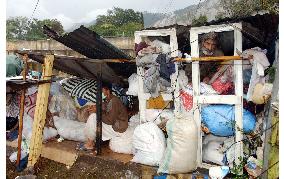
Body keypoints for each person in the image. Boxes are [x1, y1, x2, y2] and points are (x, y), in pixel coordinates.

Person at [80, 83, 128, 151]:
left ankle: (90, 143)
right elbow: (104, 107)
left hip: (118, 127)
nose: (100, 93)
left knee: (93, 117)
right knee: (93, 117)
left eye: (101, 91)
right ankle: (91, 141)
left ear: (107, 91)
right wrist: (95, 107)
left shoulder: (114, 101)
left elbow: (110, 121)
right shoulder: (108, 99)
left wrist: (97, 111)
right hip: (115, 124)